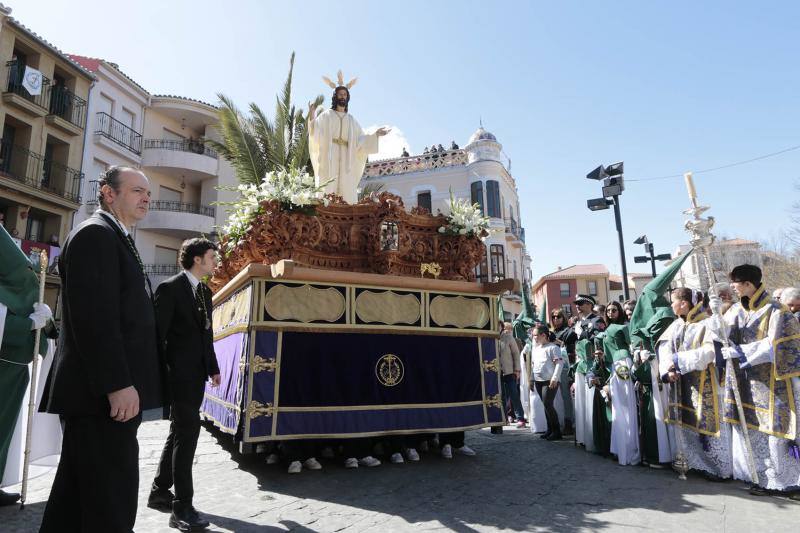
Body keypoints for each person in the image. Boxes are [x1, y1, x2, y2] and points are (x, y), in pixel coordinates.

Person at [39, 166, 164, 532]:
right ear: (108, 193)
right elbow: (95, 320)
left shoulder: (116, 236)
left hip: (103, 396)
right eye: (137, 190)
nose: (146, 198)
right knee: (109, 497)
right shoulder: (96, 234)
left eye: (148, 193)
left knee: (77, 497)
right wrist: (117, 384)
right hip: (101, 396)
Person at [148, 238, 221, 530]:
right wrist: (164, 374)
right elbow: (157, 337)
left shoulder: (205, 291)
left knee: (179, 430)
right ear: (197, 259)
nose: (216, 261)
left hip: (197, 376)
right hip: (177, 376)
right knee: (188, 433)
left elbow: (207, 334)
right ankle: (182, 507)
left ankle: (159, 491)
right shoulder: (170, 289)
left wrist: (212, 367)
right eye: (212, 256)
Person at [719, 265, 800, 498]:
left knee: (776, 434)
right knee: (754, 432)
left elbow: (776, 345)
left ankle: (790, 482)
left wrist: (741, 352)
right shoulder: (737, 310)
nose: (733, 288)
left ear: (747, 284)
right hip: (747, 383)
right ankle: (765, 479)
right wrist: (716, 317)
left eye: (735, 284)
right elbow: (721, 335)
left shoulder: (777, 311)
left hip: (775, 384)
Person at [0, 225, 53, 506]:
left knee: (5, 429)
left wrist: (44, 319)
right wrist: (27, 324)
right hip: (3, 365)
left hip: (16, 366)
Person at [657, 287, 730, 480]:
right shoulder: (676, 326)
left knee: (708, 425)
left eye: (673, 301)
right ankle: (695, 462)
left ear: (684, 303)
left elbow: (710, 353)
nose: (671, 305)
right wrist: (667, 370)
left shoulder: (706, 324)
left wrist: (678, 360)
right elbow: (664, 350)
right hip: (681, 384)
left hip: (705, 384)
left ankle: (719, 469)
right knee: (686, 425)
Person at [308, 76, 389, 203]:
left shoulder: (351, 120)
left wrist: (375, 135)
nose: (342, 97)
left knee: (347, 187)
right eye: (340, 94)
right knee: (328, 185)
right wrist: (312, 115)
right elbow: (315, 131)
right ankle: (325, 209)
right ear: (335, 97)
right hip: (330, 156)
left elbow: (361, 140)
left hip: (347, 157)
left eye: (344, 94)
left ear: (347, 98)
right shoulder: (327, 115)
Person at [603, 304, 640, 465]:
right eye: (608, 310)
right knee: (618, 407)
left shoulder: (623, 327)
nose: (611, 313)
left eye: (614, 310)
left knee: (626, 405)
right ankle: (621, 447)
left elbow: (632, 345)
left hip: (623, 363)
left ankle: (629, 448)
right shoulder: (607, 330)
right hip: (615, 366)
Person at [570, 295, 605, 452]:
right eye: (576, 304)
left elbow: (599, 340)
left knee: (591, 403)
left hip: (592, 366)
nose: (578, 306)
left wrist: (582, 333)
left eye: (581, 303)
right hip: (581, 365)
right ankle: (583, 437)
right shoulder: (578, 323)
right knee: (581, 405)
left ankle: (593, 439)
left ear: (590, 305)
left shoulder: (596, 321)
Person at [528, 325, 564, 440]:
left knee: (548, 404)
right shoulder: (537, 349)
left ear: (543, 335)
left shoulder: (553, 348)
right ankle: (550, 429)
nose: (534, 338)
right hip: (538, 381)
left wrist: (554, 378)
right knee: (545, 405)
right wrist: (531, 379)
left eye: (535, 335)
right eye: (533, 335)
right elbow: (534, 366)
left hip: (549, 381)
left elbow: (559, 364)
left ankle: (556, 431)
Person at [551, 309, 576, 435]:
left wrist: (559, 343)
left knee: (566, 396)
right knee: (554, 398)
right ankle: (556, 423)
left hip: (565, 367)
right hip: (552, 367)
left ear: (564, 317)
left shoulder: (569, 332)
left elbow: (572, 352)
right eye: (553, 317)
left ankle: (568, 422)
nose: (556, 319)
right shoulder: (551, 332)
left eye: (558, 316)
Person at [498, 321, 525, 426]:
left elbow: (516, 353)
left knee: (514, 395)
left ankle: (520, 418)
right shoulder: (490, 337)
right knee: (501, 396)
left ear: (501, 326)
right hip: (496, 372)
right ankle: (503, 418)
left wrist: (517, 369)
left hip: (509, 371)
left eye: (498, 325)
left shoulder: (508, 337)